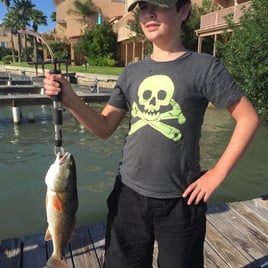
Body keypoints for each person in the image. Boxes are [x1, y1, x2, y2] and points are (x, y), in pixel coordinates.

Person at [43, 0, 260, 266]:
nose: (149, 14)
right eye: (143, 8)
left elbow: (248, 118)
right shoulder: (131, 72)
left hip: (182, 200)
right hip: (128, 197)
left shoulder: (205, 67)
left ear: (183, 10)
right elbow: (103, 127)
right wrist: (70, 98)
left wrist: (217, 173)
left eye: (160, 5)